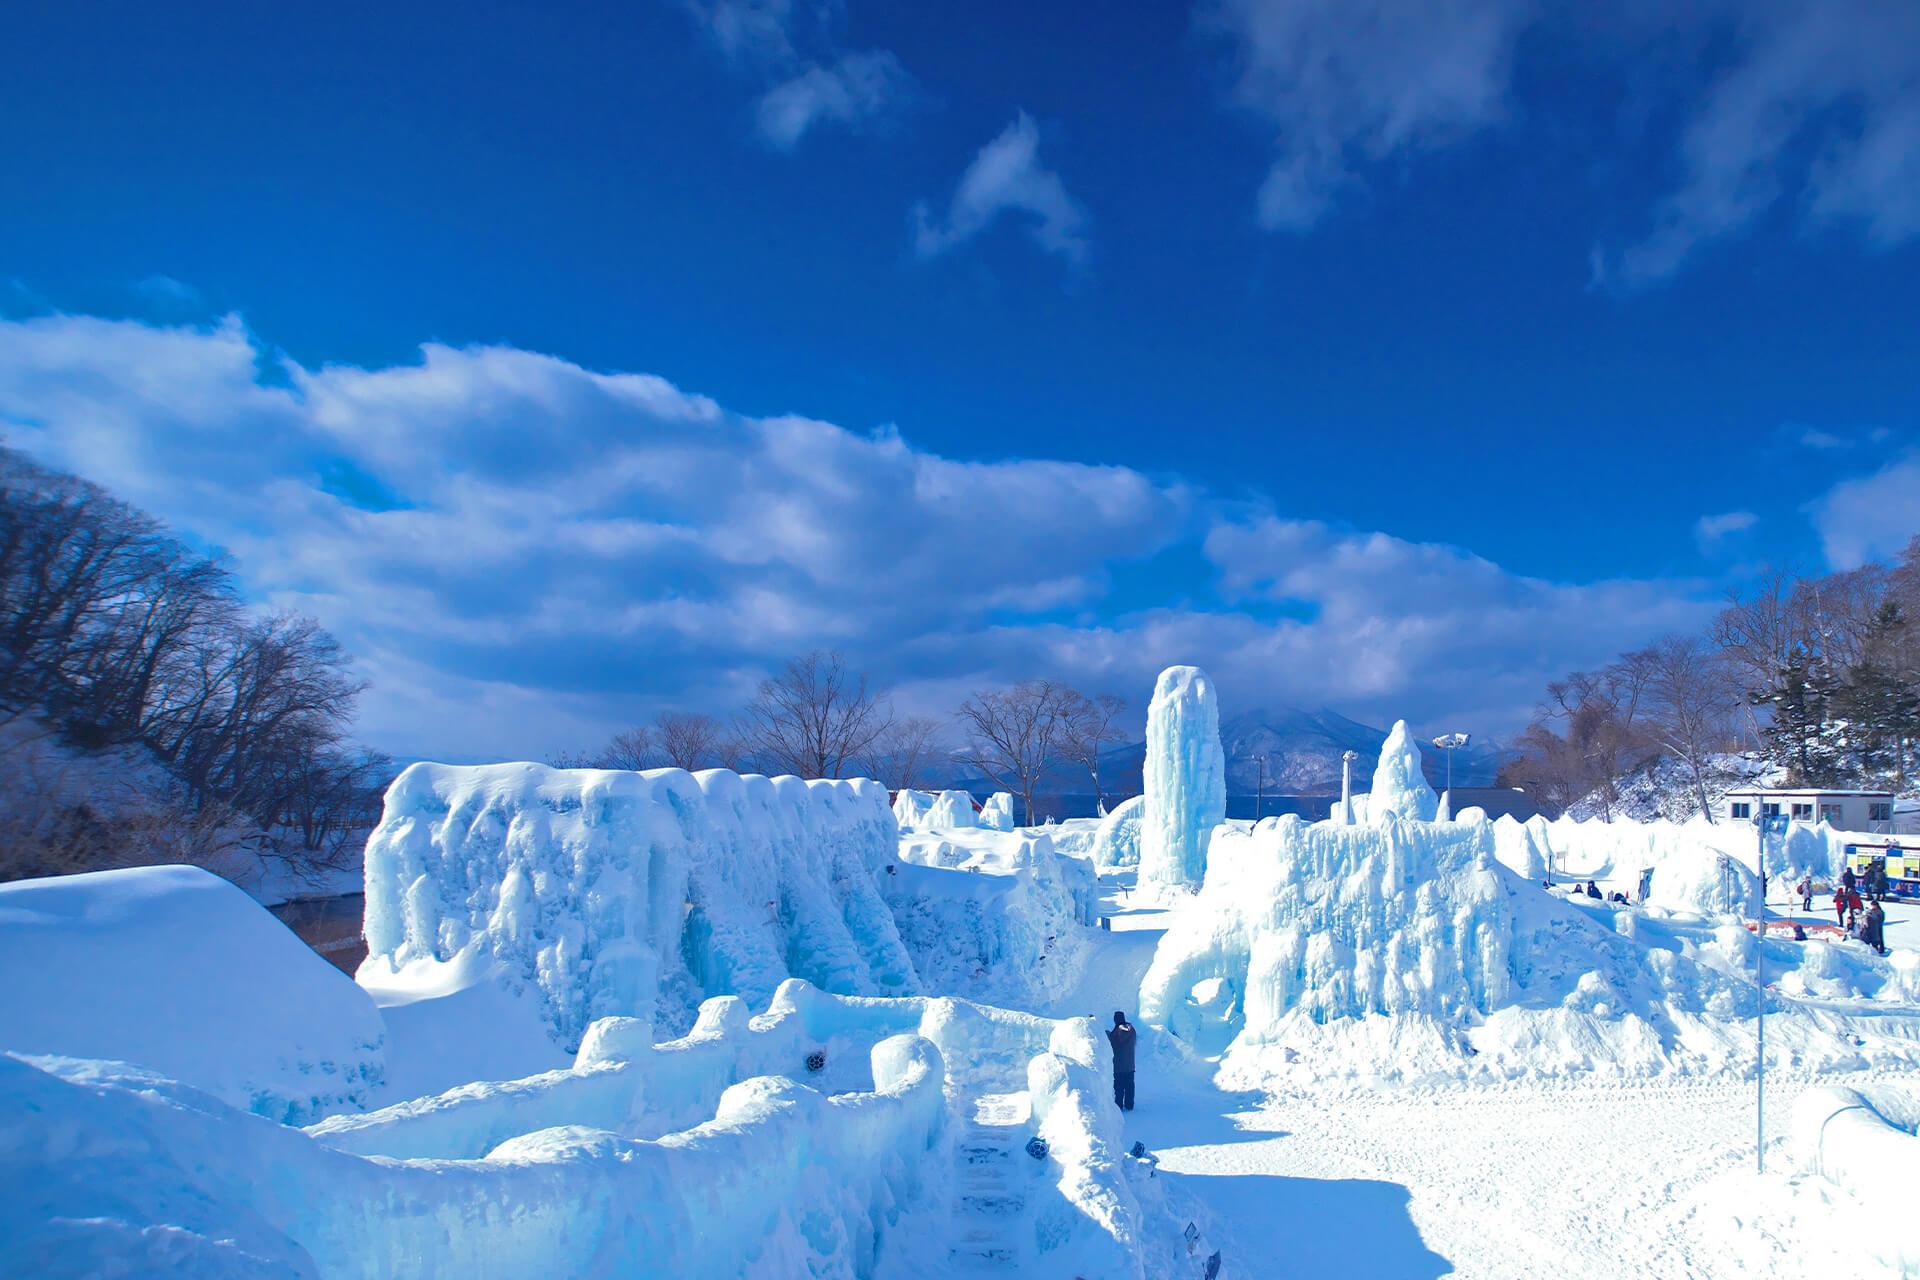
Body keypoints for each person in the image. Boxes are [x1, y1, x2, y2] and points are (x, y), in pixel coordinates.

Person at [1107, 1011, 1136, 1112]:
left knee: (1119, 1087)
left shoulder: (1117, 1031)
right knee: (1129, 1086)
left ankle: (1118, 1106)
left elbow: (1112, 1040)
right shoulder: (1132, 1030)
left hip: (1118, 1065)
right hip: (1130, 1064)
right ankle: (1129, 1105)